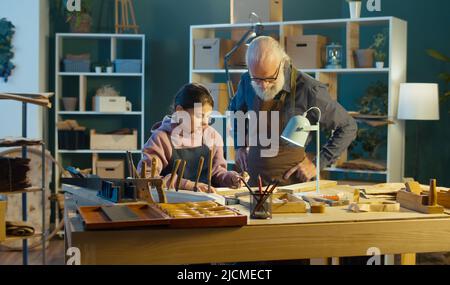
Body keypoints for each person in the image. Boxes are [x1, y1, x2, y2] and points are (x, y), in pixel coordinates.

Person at [229, 36, 357, 186]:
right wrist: (239, 145)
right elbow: (236, 109)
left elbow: (348, 126)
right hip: (254, 182)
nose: (263, 86)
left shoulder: (309, 89)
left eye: (270, 79)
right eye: (257, 79)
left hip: (293, 185)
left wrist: (317, 164)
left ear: (282, 63)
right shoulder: (246, 81)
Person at [137, 83, 243, 193]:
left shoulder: (212, 136)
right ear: (180, 111)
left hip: (205, 204)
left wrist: (230, 178)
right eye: (199, 116)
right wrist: (186, 185)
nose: (205, 122)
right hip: (170, 203)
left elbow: (216, 173)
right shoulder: (161, 139)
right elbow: (147, 178)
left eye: (208, 117)